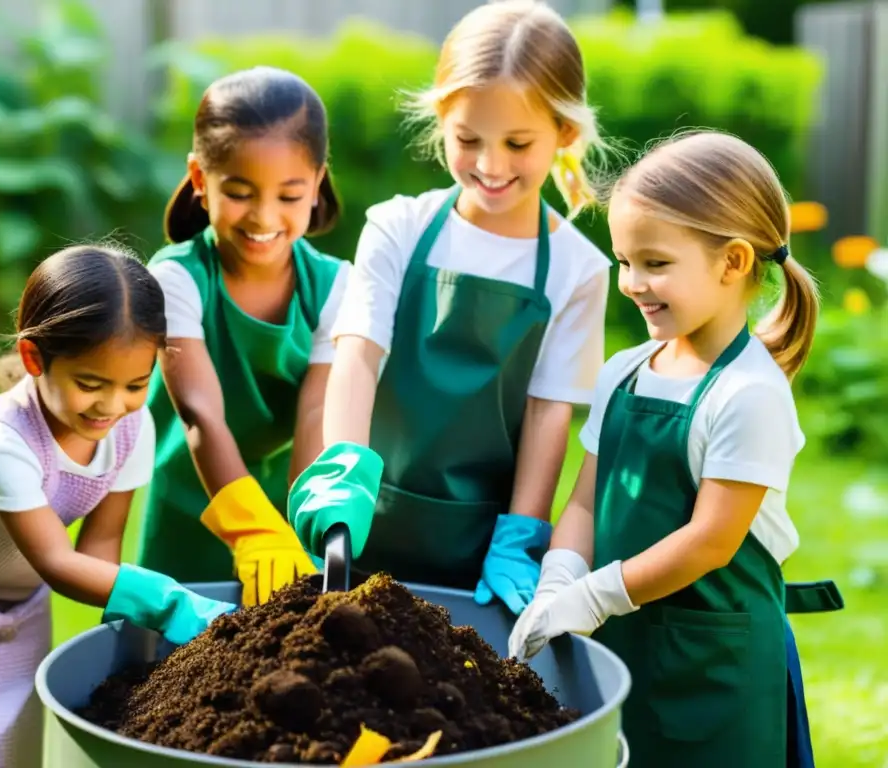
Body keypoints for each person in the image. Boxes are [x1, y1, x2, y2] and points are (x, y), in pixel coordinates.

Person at [507, 130, 843, 768]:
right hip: (624, 650)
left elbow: (710, 541)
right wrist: (561, 579)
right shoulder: (624, 371)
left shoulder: (749, 395)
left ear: (733, 262)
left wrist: (595, 597)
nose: (632, 283)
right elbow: (583, 502)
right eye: (624, 261)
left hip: (717, 673)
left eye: (656, 263)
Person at [287, 0, 612, 614]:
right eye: (468, 139)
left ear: (565, 134)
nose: (491, 166)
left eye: (518, 143)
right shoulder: (397, 227)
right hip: (363, 520)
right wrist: (342, 471)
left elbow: (549, 414)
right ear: (441, 120)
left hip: (479, 543)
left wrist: (523, 532)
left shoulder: (578, 268)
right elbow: (357, 356)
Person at [0, 246, 237, 768]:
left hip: (20, 594)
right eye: (90, 384)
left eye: (136, 385)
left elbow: (100, 545)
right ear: (34, 358)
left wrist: (134, 632)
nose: (112, 406)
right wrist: (168, 601)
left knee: (20, 744)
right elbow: (58, 562)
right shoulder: (3, 444)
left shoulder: (133, 429)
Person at [137, 66, 350, 605]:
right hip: (194, 510)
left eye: (288, 194)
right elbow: (200, 415)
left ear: (318, 181)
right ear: (199, 178)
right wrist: (251, 530)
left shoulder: (334, 287)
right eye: (239, 191)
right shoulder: (178, 278)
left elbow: (315, 415)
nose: (263, 216)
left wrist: (298, 532)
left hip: (288, 505)